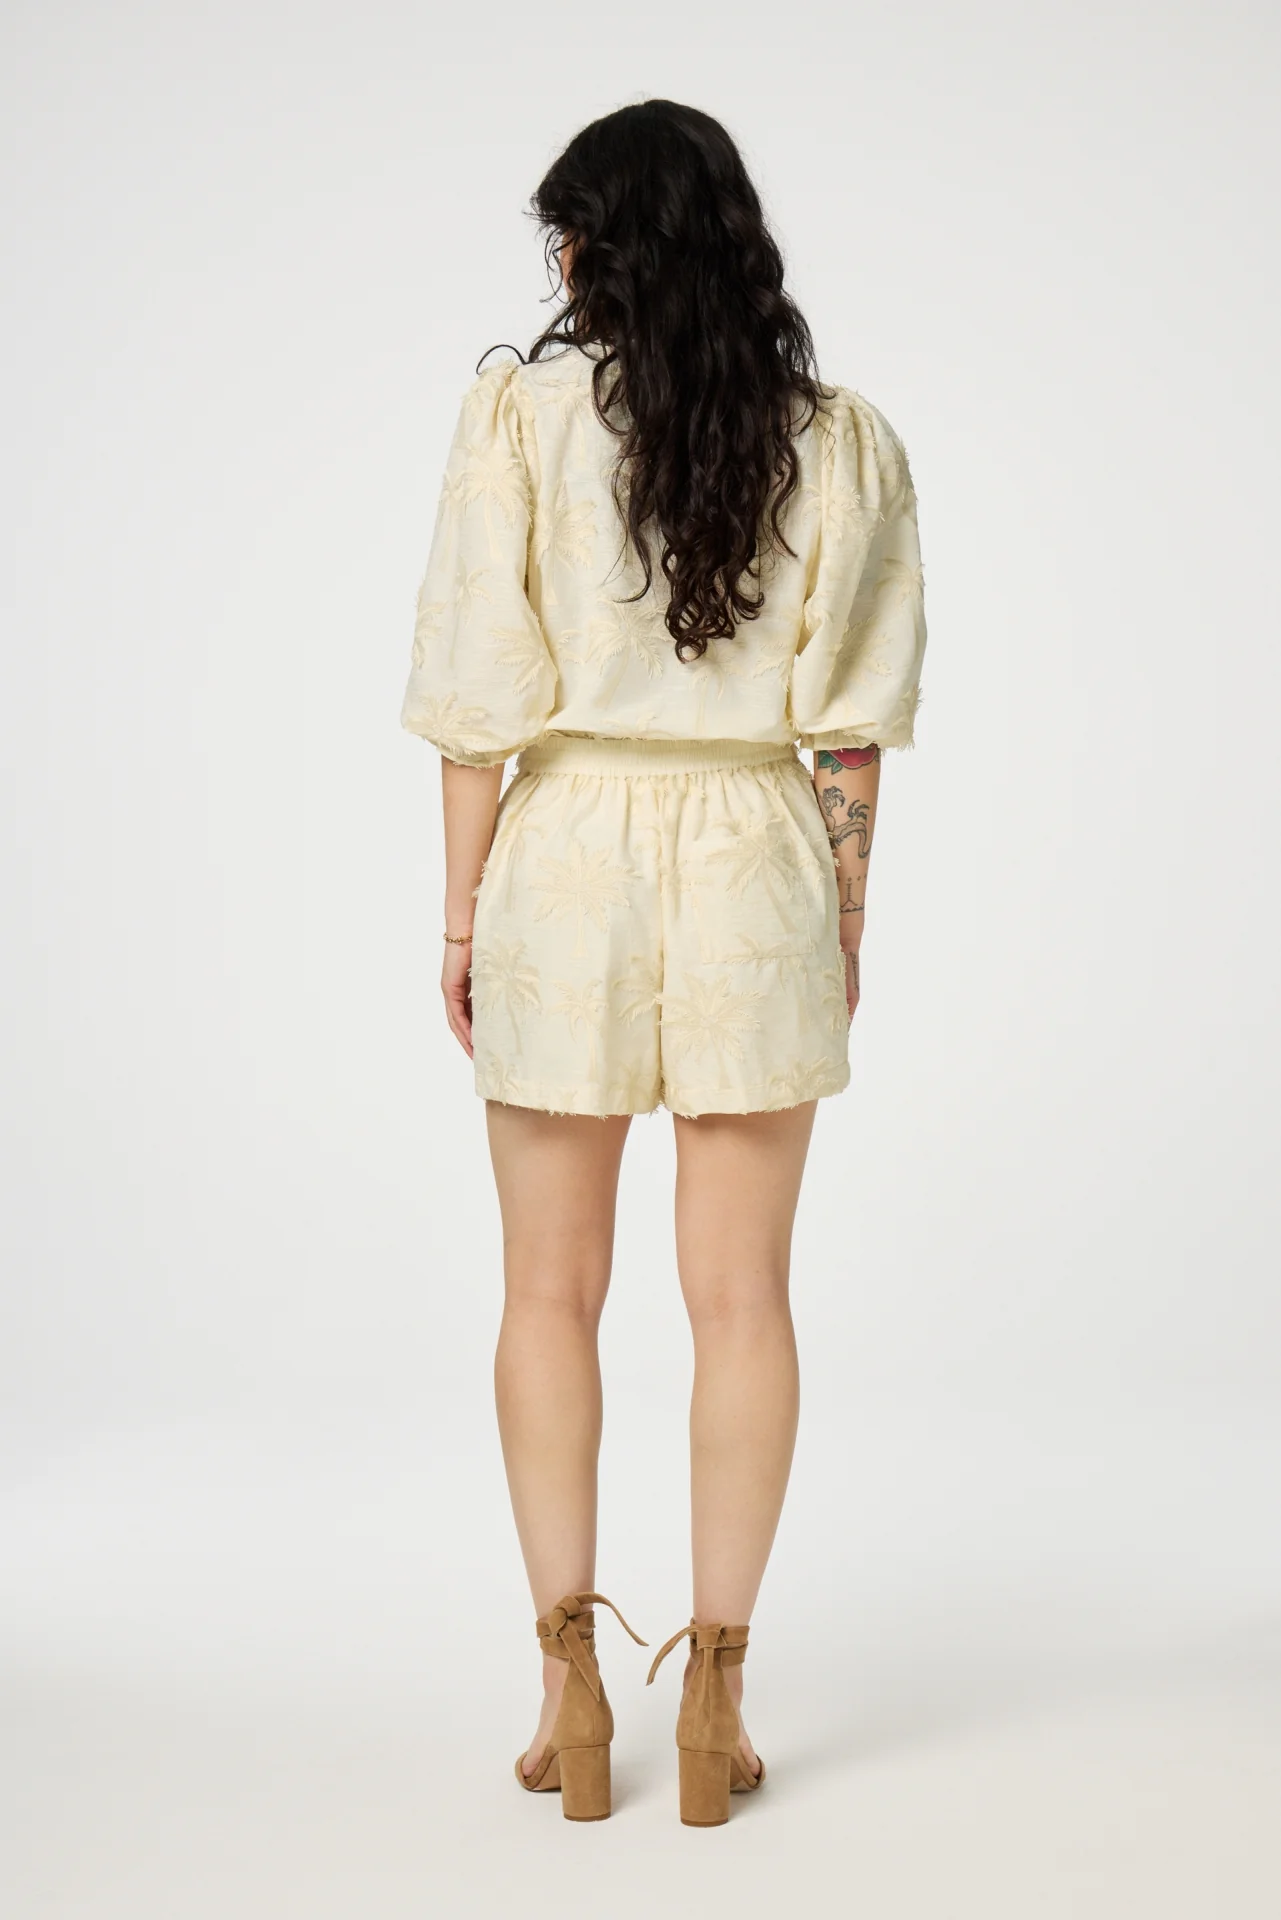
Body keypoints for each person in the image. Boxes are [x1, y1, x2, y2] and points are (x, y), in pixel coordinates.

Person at [401, 99, 927, 1826]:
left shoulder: (519, 419)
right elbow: (848, 726)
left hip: (561, 857)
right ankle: (715, 1699)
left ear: (592, 253)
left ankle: (569, 1688)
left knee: (546, 1290)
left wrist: (461, 920)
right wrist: (840, 920)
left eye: (564, 234)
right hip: (756, 856)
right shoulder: (836, 441)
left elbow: (475, 705)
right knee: (743, 1298)